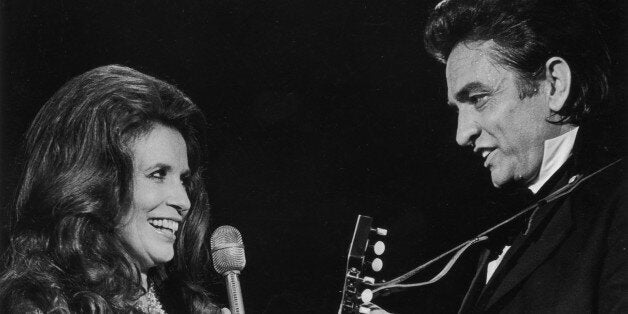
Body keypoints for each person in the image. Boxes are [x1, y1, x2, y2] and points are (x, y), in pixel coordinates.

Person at [420, 0, 627, 312]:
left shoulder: (619, 205)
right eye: (457, 109)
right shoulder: (516, 222)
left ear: (555, 85)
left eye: (478, 98)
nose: (462, 134)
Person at [0, 65, 227, 313]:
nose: (183, 201)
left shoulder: (187, 306)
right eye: (158, 174)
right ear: (96, 183)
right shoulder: (40, 307)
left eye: (184, 180)